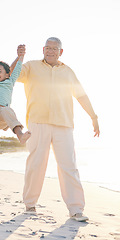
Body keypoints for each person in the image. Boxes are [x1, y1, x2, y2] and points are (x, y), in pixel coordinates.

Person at [17, 37, 100, 222]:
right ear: (43, 49)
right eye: (47, 48)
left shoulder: (68, 71)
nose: (50, 51)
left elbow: (81, 95)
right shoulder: (31, 67)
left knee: (69, 166)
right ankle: (30, 204)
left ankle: (76, 209)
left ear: (61, 52)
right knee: (36, 164)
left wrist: (94, 117)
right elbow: (13, 74)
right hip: (38, 122)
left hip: (64, 124)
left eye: (54, 48)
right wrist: (20, 57)